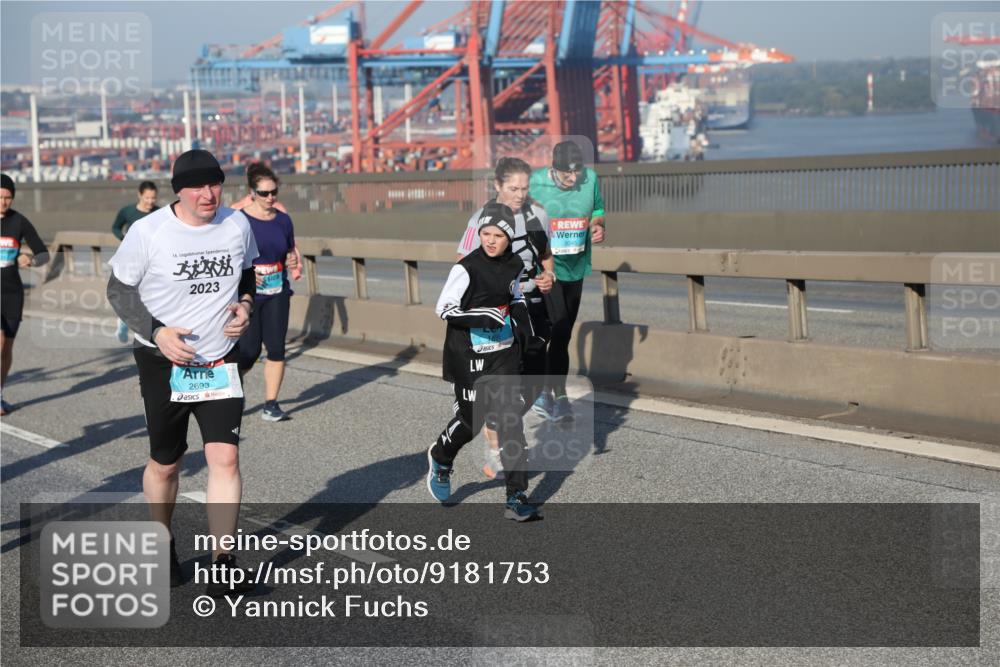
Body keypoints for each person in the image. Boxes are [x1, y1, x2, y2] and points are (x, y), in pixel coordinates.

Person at [106, 149, 260, 596]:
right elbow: (118, 290)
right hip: (162, 362)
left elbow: (247, 274)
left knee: (225, 457)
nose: (208, 194)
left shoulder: (236, 224)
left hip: (219, 358)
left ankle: (223, 560)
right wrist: (157, 332)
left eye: (214, 184)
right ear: (179, 190)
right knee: (166, 463)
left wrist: (245, 306)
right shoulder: (148, 231)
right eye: (197, 186)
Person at [429, 202, 544, 522]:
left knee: (510, 422)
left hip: (503, 354)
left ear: (509, 237)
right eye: (485, 233)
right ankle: (441, 457)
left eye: (498, 235)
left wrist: (528, 332)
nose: (491, 240)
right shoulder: (466, 268)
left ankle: (516, 497)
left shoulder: (513, 266)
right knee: (472, 421)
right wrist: (483, 315)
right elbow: (444, 309)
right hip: (467, 356)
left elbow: (516, 298)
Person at [456, 157, 555, 479]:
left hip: (534, 304)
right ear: (497, 186)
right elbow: (463, 264)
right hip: (500, 311)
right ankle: (498, 448)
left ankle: (497, 421)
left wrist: (548, 276)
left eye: (524, 188)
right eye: (513, 188)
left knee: (537, 382)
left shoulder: (537, 214)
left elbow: (545, 256)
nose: (519, 194)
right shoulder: (481, 219)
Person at [528, 141, 606, 422]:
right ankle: (540, 392)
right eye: (566, 175)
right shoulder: (535, 183)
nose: (573, 179)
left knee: (562, 336)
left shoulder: (591, 179)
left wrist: (598, 227)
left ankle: (557, 396)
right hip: (546, 269)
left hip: (576, 267)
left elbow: (597, 210)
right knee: (553, 326)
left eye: (577, 173)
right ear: (553, 169)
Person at [236, 163, 296, 422]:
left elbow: (289, 250)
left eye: (274, 192)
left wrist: (291, 261)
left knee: (276, 348)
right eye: (264, 193)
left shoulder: (283, 220)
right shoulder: (239, 221)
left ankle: (271, 404)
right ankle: (235, 382)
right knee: (249, 351)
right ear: (252, 192)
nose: (270, 198)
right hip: (249, 295)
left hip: (277, 292)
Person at [1, 174, 50, 416]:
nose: (3, 202)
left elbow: (43, 253)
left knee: (7, 348)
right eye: (0, 197)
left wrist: (29, 259)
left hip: (12, 293)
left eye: (8, 198)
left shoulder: (18, 222)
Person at [111, 181, 160, 342]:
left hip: (152, 260)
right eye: (147, 197)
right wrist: (124, 238)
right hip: (132, 258)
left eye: (153, 198)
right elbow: (116, 227)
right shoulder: (128, 211)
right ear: (139, 195)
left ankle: (137, 325)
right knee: (131, 291)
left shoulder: (159, 213)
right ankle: (125, 323)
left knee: (147, 294)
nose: (150, 201)